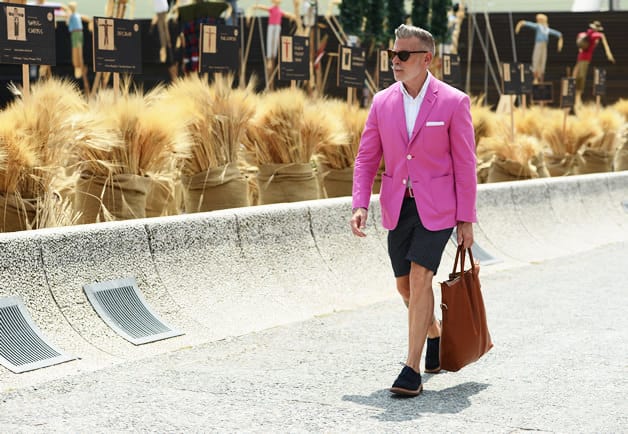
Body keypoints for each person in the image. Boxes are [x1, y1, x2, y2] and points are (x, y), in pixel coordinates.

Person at [350, 24, 477, 397]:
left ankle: (411, 369)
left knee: (422, 277)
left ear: (427, 59)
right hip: (397, 205)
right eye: (393, 54)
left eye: (403, 55)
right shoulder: (382, 102)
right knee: (405, 286)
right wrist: (360, 203)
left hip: (438, 207)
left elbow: (465, 164)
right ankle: (433, 332)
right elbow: (366, 158)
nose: (395, 61)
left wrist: (466, 220)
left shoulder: (454, 102)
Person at [572, 20, 614, 106]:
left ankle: (575, 96)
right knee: (581, 77)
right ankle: (578, 98)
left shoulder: (582, 34)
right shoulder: (595, 35)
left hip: (580, 57)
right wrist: (608, 53)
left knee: (576, 75)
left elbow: (579, 44)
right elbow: (602, 37)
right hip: (585, 58)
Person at [515, 13, 563, 83]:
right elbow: (528, 24)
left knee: (543, 60)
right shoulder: (538, 26)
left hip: (544, 45)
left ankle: (541, 77)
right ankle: (535, 77)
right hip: (538, 44)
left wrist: (560, 42)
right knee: (536, 59)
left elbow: (557, 34)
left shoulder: (546, 29)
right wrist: (521, 24)